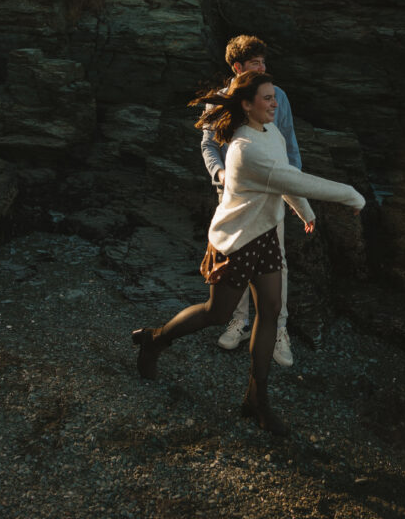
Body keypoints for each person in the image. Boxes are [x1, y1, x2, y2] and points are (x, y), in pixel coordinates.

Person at [131, 70, 365, 436]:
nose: (275, 103)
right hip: (237, 242)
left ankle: (257, 399)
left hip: (266, 235)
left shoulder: (270, 133)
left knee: (270, 310)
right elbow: (293, 179)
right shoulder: (244, 150)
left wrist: (304, 212)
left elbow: (285, 176)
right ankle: (155, 339)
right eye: (268, 98)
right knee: (216, 312)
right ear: (246, 104)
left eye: (274, 97)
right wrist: (351, 194)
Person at [201, 35, 300, 366]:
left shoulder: (277, 96)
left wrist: (294, 189)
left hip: (271, 194)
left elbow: (288, 144)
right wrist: (220, 175)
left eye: (264, 62)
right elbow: (209, 146)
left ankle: (279, 331)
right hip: (232, 198)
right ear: (237, 67)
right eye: (255, 63)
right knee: (235, 262)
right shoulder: (220, 99)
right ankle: (239, 322)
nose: (263, 68)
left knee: (278, 263)